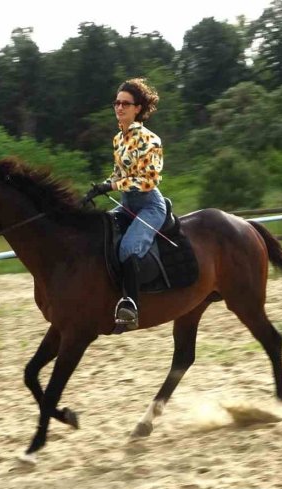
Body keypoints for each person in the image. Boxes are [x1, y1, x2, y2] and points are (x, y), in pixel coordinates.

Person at [83, 78, 166, 332]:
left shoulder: (150, 140)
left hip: (149, 206)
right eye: (117, 103)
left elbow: (149, 179)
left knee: (129, 248)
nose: (119, 107)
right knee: (100, 235)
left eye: (125, 104)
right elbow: (119, 175)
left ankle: (131, 305)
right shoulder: (119, 139)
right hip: (127, 203)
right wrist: (101, 186)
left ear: (138, 108)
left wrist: (113, 187)